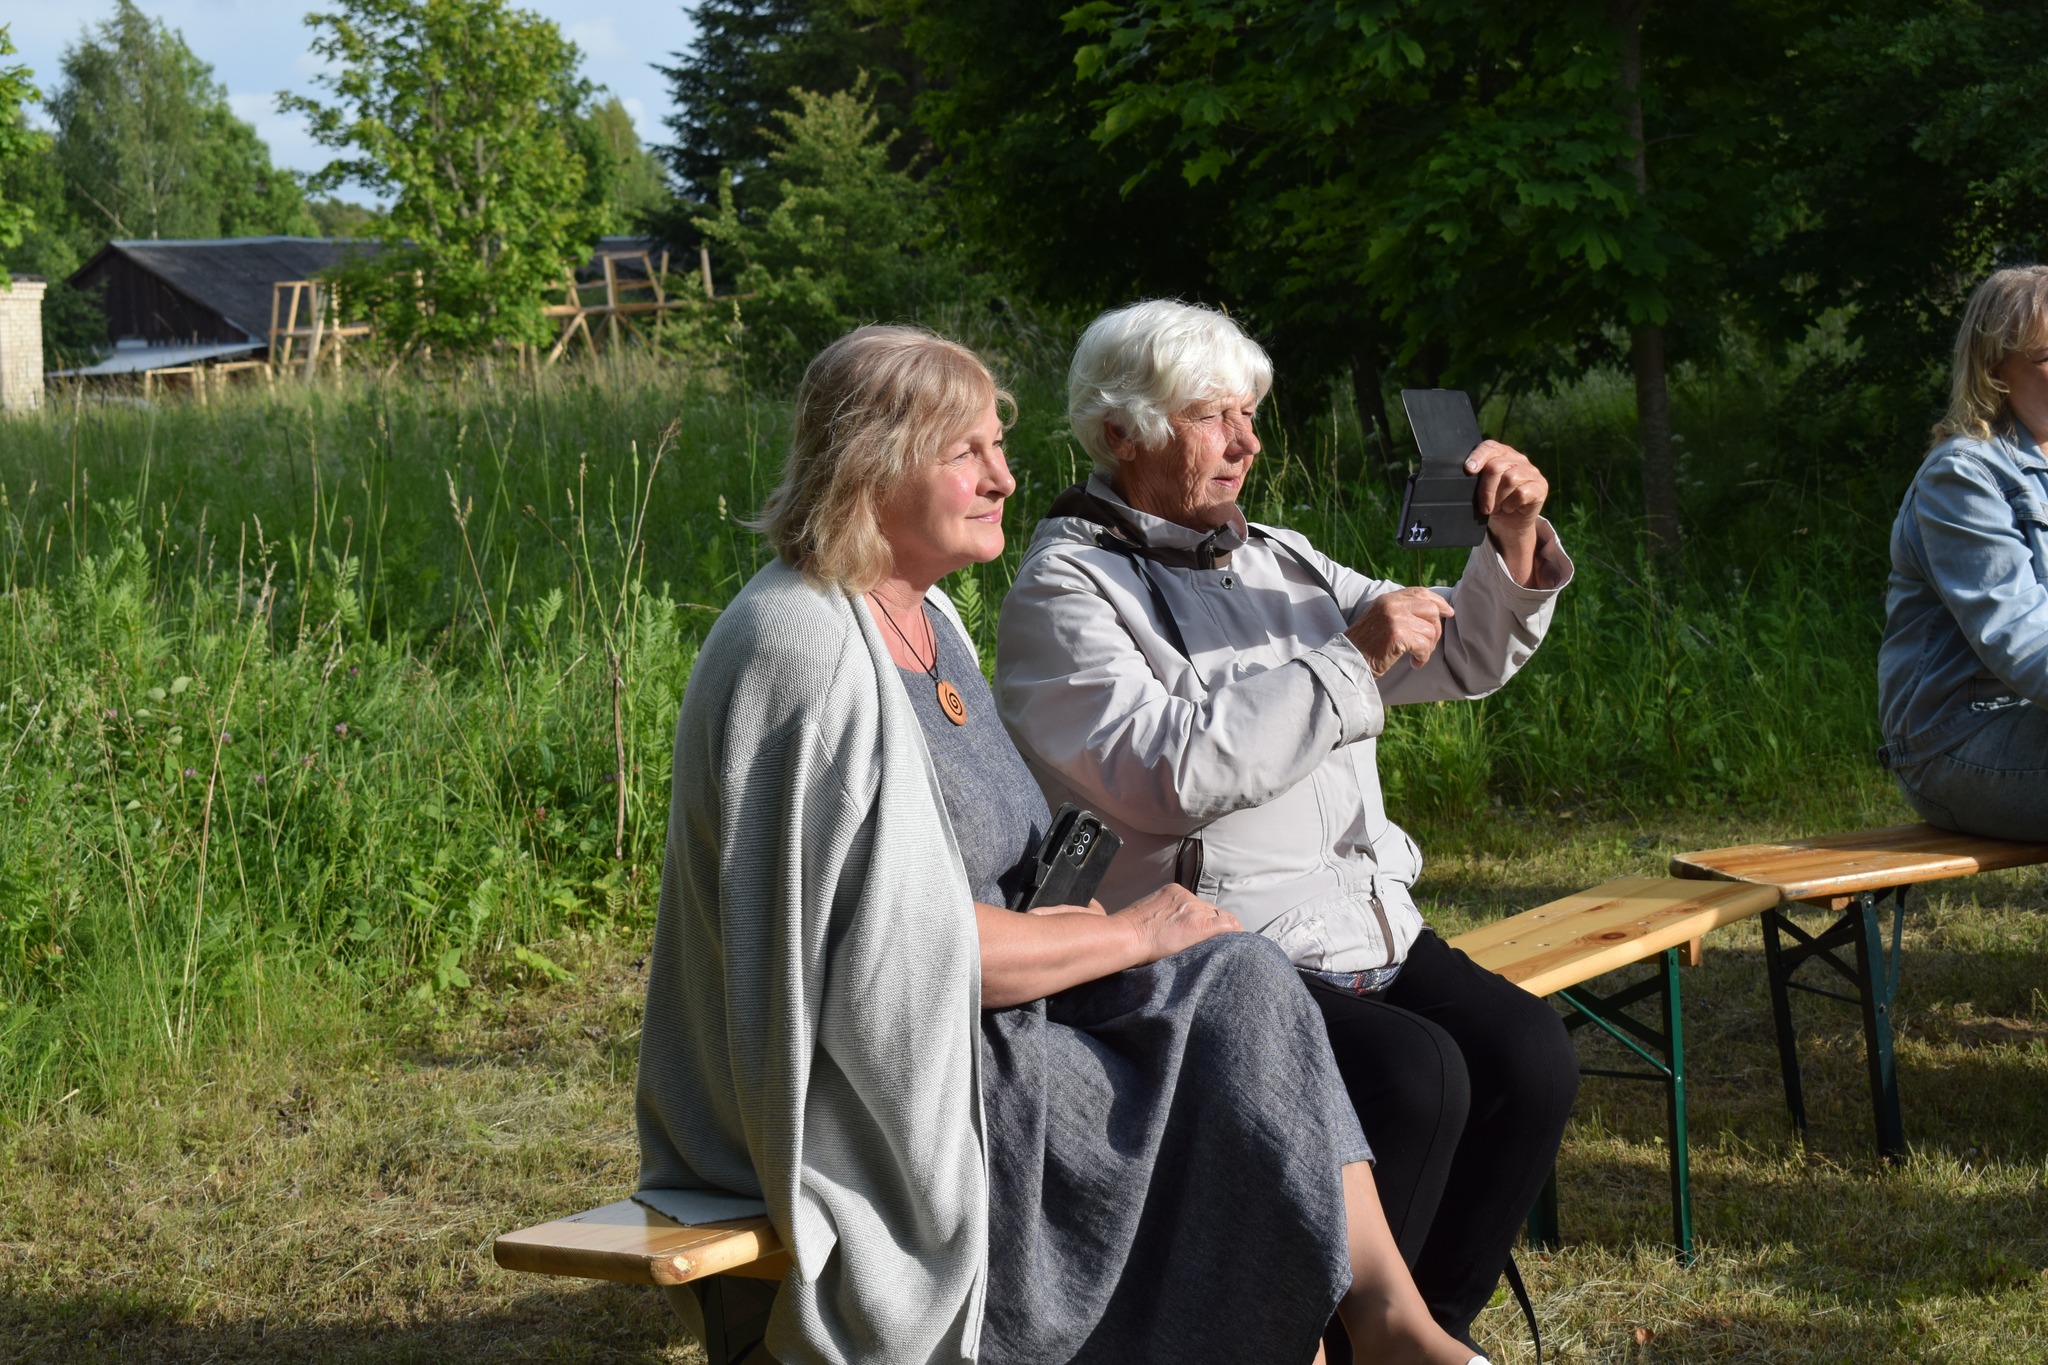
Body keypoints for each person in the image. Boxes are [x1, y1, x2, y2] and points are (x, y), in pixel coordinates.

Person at [634, 324, 1483, 1365]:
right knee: (1197, 1093)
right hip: (908, 1072)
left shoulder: (929, 620)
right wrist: (1132, 934)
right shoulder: (800, 649)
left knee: (1245, 983)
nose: (1003, 477)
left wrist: (1122, 928)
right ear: (873, 464)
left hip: (1008, 1013)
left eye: (998, 447)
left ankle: (1388, 1324)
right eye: (968, 453)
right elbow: (903, 963)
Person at [994, 300, 1580, 1357]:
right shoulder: (1066, 589)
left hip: (1359, 923)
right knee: (1415, 1079)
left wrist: (1510, 545)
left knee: (1528, 1057)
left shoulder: (1281, 558)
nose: (1246, 442)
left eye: (1250, 414)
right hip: (1214, 952)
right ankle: (1321, 1340)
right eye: (1211, 416)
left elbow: (1455, 655)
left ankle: (1429, 1333)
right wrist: (1345, 661)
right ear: (1121, 432)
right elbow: (1162, 775)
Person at [1879, 265, 2048, 841]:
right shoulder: (1962, 477)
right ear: (1995, 370)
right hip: (1958, 741)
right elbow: (2022, 640)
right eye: (2047, 356)